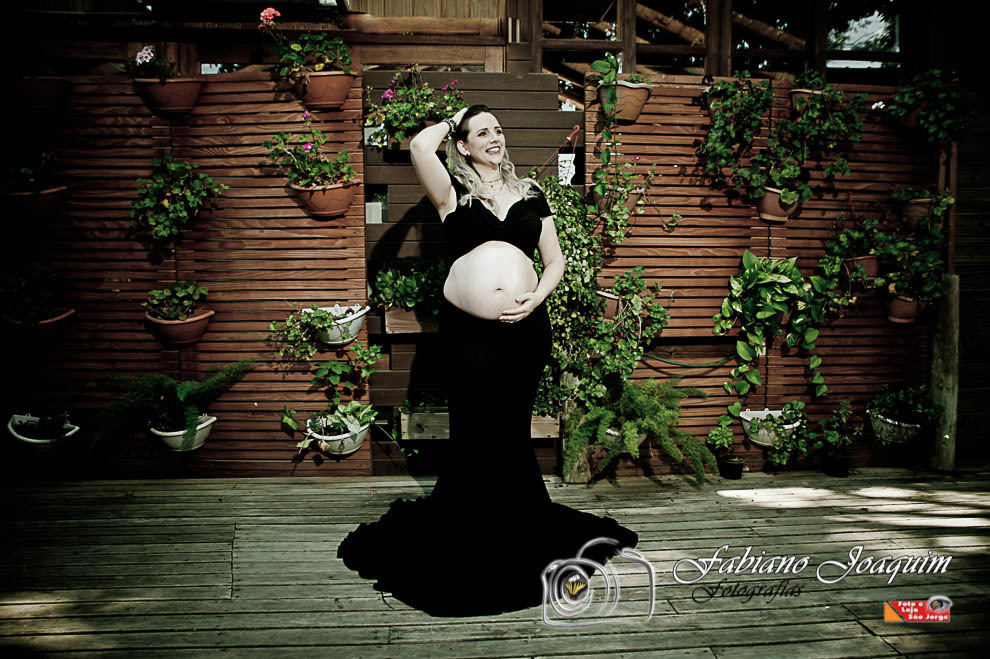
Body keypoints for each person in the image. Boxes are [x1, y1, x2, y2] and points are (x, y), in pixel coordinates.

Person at [336, 105, 639, 617]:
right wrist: (453, 118)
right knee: (474, 428)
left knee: (511, 429)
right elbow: (419, 147)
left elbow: (555, 260)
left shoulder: (531, 194)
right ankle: (469, 527)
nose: (495, 137)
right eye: (482, 132)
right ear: (463, 145)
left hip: (525, 331)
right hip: (468, 335)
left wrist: (537, 298)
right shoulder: (452, 193)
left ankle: (517, 524)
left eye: (498, 129)